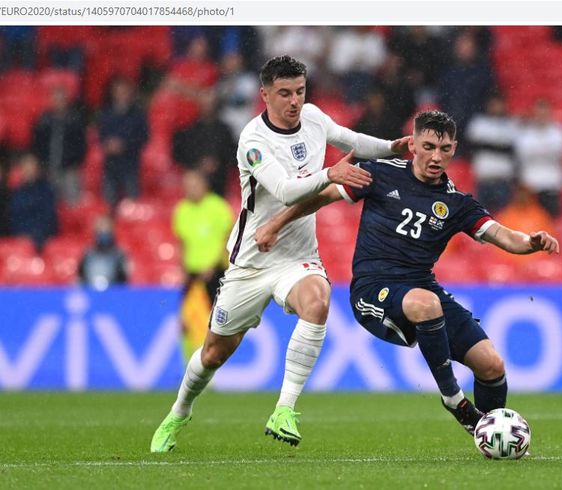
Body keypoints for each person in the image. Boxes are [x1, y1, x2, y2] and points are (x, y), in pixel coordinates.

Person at [150, 55, 410, 452]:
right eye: (284, 93)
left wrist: (392, 146)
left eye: (300, 92)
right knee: (215, 352)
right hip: (252, 260)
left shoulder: (313, 118)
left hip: (297, 256)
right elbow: (287, 189)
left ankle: (285, 410)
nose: (294, 101)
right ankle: (179, 411)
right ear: (265, 95)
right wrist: (330, 174)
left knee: (318, 301)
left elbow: (352, 141)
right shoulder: (252, 141)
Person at [255, 111, 559, 438]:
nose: (436, 156)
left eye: (444, 149)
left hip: (422, 290)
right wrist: (274, 224)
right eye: (428, 146)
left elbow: (502, 235)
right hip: (373, 292)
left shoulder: (456, 203)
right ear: (412, 144)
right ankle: (453, 397)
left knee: (491, 365)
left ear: (454, 149)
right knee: (426, 304)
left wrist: (531, 242)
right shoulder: (379, 173)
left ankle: (491, 434)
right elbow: (320, 196)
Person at [172, 169, 234, 362]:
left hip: (215, 273)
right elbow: (182, 244)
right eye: (187, 186)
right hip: (192, 274)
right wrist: (182, 270)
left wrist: (215, 265)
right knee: (185, 323)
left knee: (213, 324)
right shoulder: (181, 210)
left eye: (194, 185)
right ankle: (188, 367)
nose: (190, 189)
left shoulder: (218, 207)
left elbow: (229, 240)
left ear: (204, 185)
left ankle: (209, 367)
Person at [32, 85, 87, 206]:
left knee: (73, 205)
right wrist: (41, 164)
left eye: (61, 99)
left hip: (69, 171)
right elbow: (37, 144)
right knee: (49, 205)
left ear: (66, 100)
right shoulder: (43, 120)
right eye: (56, 99)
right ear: (51, 100)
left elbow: (82, 145)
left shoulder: (75, 120)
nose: (58, 102)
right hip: (48, 170)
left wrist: (75, 164)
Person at [98, 78, 149, 208]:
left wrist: (124, 145)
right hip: (110, 167)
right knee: (108, 206)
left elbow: (143, 137)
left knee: (132, 206)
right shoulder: (106, 113)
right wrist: (107, 144)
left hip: (130, 166)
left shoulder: (138, 114)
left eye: (124, 91)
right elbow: (100, 135)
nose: (121, 94)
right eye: (118, 91)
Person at [515, 98, 562, 217]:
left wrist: (537, 150)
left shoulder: (559, 131)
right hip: (530, 185)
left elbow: (557, 153)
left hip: (551, 184)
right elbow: (523, 154)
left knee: (549, 222)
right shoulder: (525, 132)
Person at [466, 92, 518, 212]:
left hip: (503, 180)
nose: (495, 107)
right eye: (493, 104)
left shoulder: (510, 124)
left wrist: (486, 145)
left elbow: (511, 150)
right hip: (484, 178)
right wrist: (499, 146)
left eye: (498, 104)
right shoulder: (479, 122)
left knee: (503, 219)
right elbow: (472, 147)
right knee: (482, 219)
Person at [9, 153, 58, 252]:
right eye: (25, 165)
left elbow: (48, 218)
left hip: (40, 240)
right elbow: (14, 218)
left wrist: (34, 236)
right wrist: (21, 235)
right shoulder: (16, 192)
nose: (28, 169)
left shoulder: (46, 191)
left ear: (37, 168)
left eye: (31, 165)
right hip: (19, 239)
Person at [78, 215, 129, 289]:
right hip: (92, 294)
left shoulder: (119, 255)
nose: (103, 233)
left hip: (113, 295)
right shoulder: (87, 255)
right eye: (100, 230)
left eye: (106, 230)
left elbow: (125, 281)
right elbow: (80, 278)